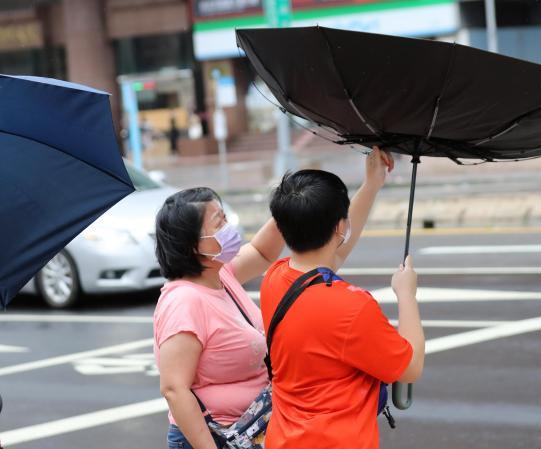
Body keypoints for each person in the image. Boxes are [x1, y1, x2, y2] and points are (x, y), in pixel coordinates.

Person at [260, 147, 425, 449]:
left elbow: (330, 256)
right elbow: (410, 366)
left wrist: (372, 184)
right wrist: (406, 296)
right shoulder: (352, 307)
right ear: (339, 226)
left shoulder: (275, 278)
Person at [153, 187, 285, 449]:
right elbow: (174, 389)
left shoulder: (220, 276)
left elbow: (262, 252)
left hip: (247, 431)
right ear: (193, 245)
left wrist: (288, 202)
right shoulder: (184, 302)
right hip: (213, 439)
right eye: (219, 222)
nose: (228, 228)